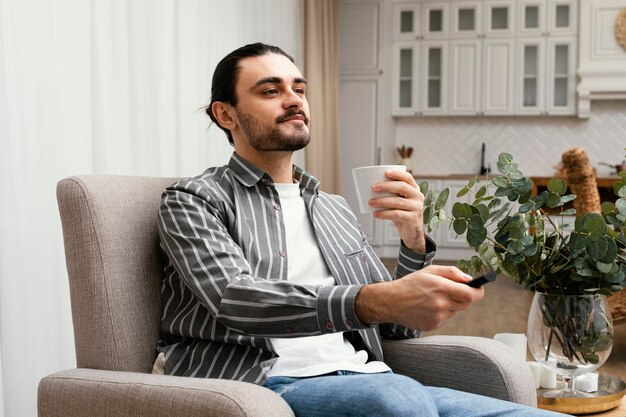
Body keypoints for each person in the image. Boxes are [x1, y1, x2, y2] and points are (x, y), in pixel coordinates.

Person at [155, 43, 568, 417]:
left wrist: (412, 238)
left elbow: (396, 327)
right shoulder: (194, 199)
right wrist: (374, 299)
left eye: (299, 89)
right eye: (270, 91)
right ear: (225, 114)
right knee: (399, 400)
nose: (294, 101)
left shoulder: (331, 207)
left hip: (369, 377)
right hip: (263, 386)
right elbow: (236, 300)